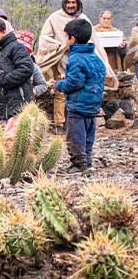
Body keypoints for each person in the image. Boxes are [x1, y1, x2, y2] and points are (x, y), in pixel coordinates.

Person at [36, 0, 117, 132]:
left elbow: (93, 39)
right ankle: (59, 124)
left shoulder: (83, 18)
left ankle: (74, 123)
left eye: (73, 2)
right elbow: (45, 39)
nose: (71, 5)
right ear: (64, 3)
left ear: (78, 3)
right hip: (62, 57)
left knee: (77, 87)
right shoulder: (54, 18)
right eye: (68, 2)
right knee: (60, 91)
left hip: (82, 56)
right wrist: (62, 46)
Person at [48, 19, 106, 175]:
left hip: (78, 105)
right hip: (92, 105)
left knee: (75, 136)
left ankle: (79, 164)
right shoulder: (95, 57)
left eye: (66, 37)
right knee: (88, 135)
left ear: (72, 39)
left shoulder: (75, 58)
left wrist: (58, 85)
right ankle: (87, 161)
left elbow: (74, 84)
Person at [0, 19, 34, 125]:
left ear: (4, 32)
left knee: (18, 136)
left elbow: (26, 68)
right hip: (3, 102)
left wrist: (3, 79)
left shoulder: (16, 47)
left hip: (20, 100)